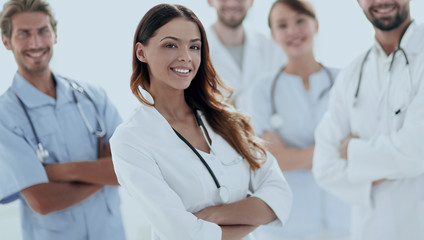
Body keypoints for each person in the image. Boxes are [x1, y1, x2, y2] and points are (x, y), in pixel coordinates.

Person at [110, 3, 292, 240]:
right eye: (170, 45)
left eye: (194, 47)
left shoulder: (226, 117)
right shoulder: (131, 139)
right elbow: (182, 233)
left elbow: (280, 195)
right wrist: (251, 217)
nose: (185, 57)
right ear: (141, 52)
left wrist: (211, 217)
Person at [0, 0, 125, 239]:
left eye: (43, 31)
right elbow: (42, 201)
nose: (35, 43)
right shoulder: (5, 116)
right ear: (6, 41)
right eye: (24, 33)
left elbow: (128, 167)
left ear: (55, 34)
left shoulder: (93, 97)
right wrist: (102, 173)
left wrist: (60, 171)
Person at [312, 0, 424, 239]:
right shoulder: (351, 74)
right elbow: (324, 167)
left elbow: (416, 150)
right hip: (368, 231)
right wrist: (395, 164)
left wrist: (351, 150)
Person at [242, 1, 350, 239]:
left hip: (345, 217)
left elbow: (358, 147)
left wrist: (292, 155)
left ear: (316, 25)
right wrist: (336, 150)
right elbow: (267, 159)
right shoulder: (261, 90)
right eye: (282, 25)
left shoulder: (345, 81)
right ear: (273, 35)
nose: (293, 31)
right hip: (289, 223)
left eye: (300, 21)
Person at [206, 0, 285, 108]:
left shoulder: (272, 48)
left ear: (251, 1)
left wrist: (234, 103)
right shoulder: (198, 50)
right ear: (210, 1)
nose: (232, 4)